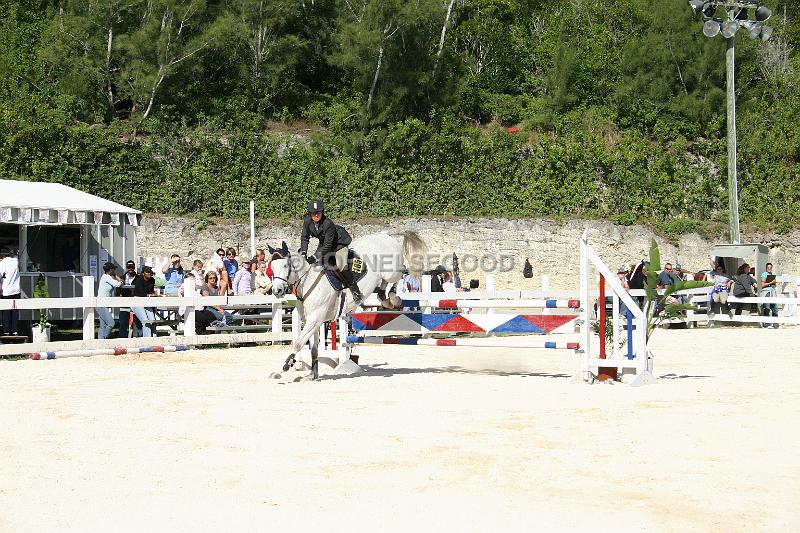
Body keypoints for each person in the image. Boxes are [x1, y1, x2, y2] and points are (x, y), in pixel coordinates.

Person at [299, 199, 363, 304]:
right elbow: (304, 237)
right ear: (309, 213)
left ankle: (355, 291)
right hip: (325, 242)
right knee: (318, 265)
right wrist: (304, 253)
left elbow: (328, 246)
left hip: (338, 244)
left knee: (341, 265)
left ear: (322, 212)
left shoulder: (328, 223)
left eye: (318, 213)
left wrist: (314, 256)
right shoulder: (307, 222)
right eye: (313, 213)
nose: (316, 215)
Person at [97, 262, 122, 339]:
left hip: (105, 304)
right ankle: (105, 337)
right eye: (113, 269)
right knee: (111, 323)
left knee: (103, 325)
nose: (114, 270)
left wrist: (114, 276)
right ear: (110, 270)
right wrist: (117, 277)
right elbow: (118, 284)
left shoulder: (106, 277)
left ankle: (100, 342)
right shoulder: (106, 277)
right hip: (102, 304)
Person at [131, 266, 159, 337]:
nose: (149, 273)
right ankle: (147, 341)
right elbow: (139, 293)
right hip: (137, 301)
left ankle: (154, 339)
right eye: (147, 272)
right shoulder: (138, 280)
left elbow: (151, 291)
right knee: (146, 322)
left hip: (146, 302)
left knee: (152, 321)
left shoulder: (152, 280)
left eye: (150, 272)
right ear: (143, 273)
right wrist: (149, 295)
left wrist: (154, 294)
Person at [0, 247, 21, 336]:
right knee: (15, 310)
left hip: (6, 290)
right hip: (16, 289)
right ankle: (14, 330)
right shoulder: (16, 261)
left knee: (6, 311)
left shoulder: (2, 263)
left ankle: (6, 331)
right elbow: (20, 266)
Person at [760, 262, 779, 328]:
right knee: (767, 307)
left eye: (770, 268)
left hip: (772, 292)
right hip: (766, 292)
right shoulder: (764, 274)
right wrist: (771, 282)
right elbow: (762, 285)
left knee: (774, 307)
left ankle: (775, 323)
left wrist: (773, 284)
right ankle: (766, 323)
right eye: (768, 268)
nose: (769, 269)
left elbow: (774, 285)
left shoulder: (773, 274)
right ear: (766, 268)